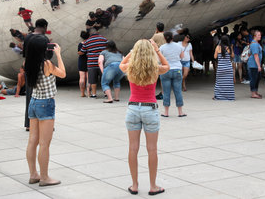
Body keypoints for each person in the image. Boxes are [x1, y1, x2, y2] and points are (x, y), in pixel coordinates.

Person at [119, 39, 169, 196]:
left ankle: (134, 185)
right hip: (150, 109)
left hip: (133, 108)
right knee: (152, 149)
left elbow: (121, 64)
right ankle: (153, 186)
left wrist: (131, 52)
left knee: (133, 148)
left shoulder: (130, 68)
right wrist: (158, 50)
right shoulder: (155, 69)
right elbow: (167, 66)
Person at [25, 38, 66, 186]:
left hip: (34, 102)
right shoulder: (46, 64)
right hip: (46, 103)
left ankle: (33, 174)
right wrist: (59, 55)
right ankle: (44, 177)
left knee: (32, 141)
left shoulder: (28, 63)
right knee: (44, 144)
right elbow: (62, 73)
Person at [23, 19, 50, 131]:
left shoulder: (28, 37)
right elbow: (48, 56)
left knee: (30, 97)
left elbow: (24, 54)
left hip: (29, 69)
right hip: (41, 70)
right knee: (44, 97)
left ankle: (29, 123)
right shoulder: (44, 38)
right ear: (44, 26)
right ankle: (44, 122)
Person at [159, 32, 186, 117]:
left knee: (166, 92)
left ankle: (166, 112)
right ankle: (180, 112)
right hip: (177, 69)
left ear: (164, 38)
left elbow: (160, 59)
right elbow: (182, 56)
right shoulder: (179, 46)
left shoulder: (162, 47)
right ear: (172, 37)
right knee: (178, 91)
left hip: (166, 70)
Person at [79, 29, 108, 98]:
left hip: (91, 63)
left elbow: (82, 51)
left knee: (93, 80)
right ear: (97, 32)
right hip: (102, 63)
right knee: (104, 79)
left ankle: (94, 94)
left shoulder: (87, 41)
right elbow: (108, 49)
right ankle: (106, 93)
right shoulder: (104, 39)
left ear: (90, 34)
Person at [247, 30, 263, 99]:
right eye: (258, 35)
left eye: (260, 35)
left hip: (255, 64)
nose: (260, 36)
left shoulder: (256, 43)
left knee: (257, 78)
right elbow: (255, 55)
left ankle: (255, 91)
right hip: (253, 64)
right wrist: (259, 65)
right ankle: (253, 93)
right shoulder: (254, 44)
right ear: (254, 36)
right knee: (253, 78)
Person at [78, 31, 90, 97]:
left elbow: (79, 52)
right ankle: (89, 93)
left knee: (82, 78)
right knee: (89, 78)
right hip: (89, 61)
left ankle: (82, 93)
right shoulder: (89, 43)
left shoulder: (80, 44)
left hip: (81, 61)